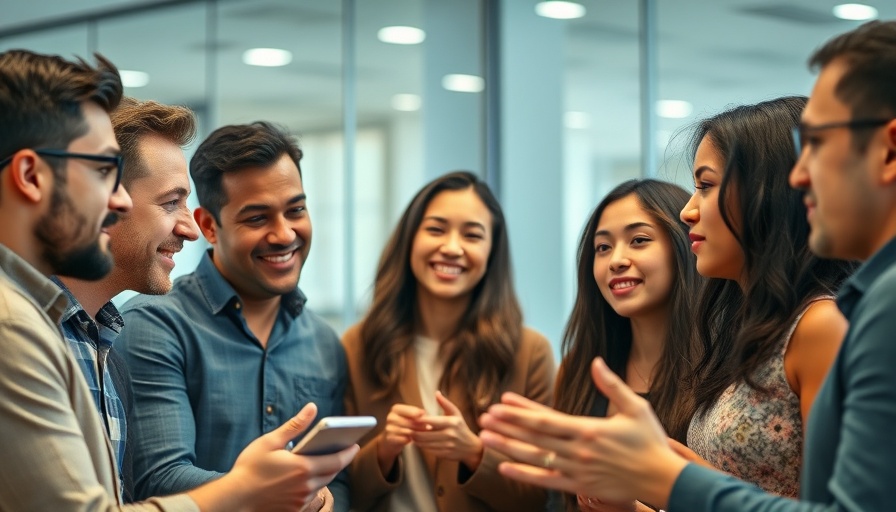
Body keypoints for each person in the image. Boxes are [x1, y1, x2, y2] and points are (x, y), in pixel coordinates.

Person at [477, 19, 896, 512]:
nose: (688, 210)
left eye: (707, 185)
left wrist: (670, 479)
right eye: (602, 246)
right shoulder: (745, 331)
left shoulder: (826, 322)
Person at [0, 48, 355, 512]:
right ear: (30, 175)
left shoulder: (95, 336)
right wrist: (247, 489)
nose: (119, 201)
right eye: (104, 173)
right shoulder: (18, 325)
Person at [118, 121, 351, 510]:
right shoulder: (154, 324)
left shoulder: (324, 342)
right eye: (257, 218)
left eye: (296, 210)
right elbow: (159, 478)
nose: (284, 234)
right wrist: (287, 493)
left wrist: (324, 500)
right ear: (209, 225)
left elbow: (338, 481)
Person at [342, 171, 555, 511]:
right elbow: (340, 489)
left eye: (472, 235)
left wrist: (473, 453)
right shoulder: (357, 346)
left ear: (491, 253)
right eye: (436, 229)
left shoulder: (531, 353)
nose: (452, 248)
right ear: (410, 239)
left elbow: (542, 497)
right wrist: (383, 451)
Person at [51, 96, 200, 502]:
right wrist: (248, 494)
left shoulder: (109, 357)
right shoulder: (25, 336)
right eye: (172, 203)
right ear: (103, 201)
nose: (191, 229)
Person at [551, 179, 700, 512]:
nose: (616, 260)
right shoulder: (579, 369)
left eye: (639, 240)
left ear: (684, 246)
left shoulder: (721, 372)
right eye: (603, 247)